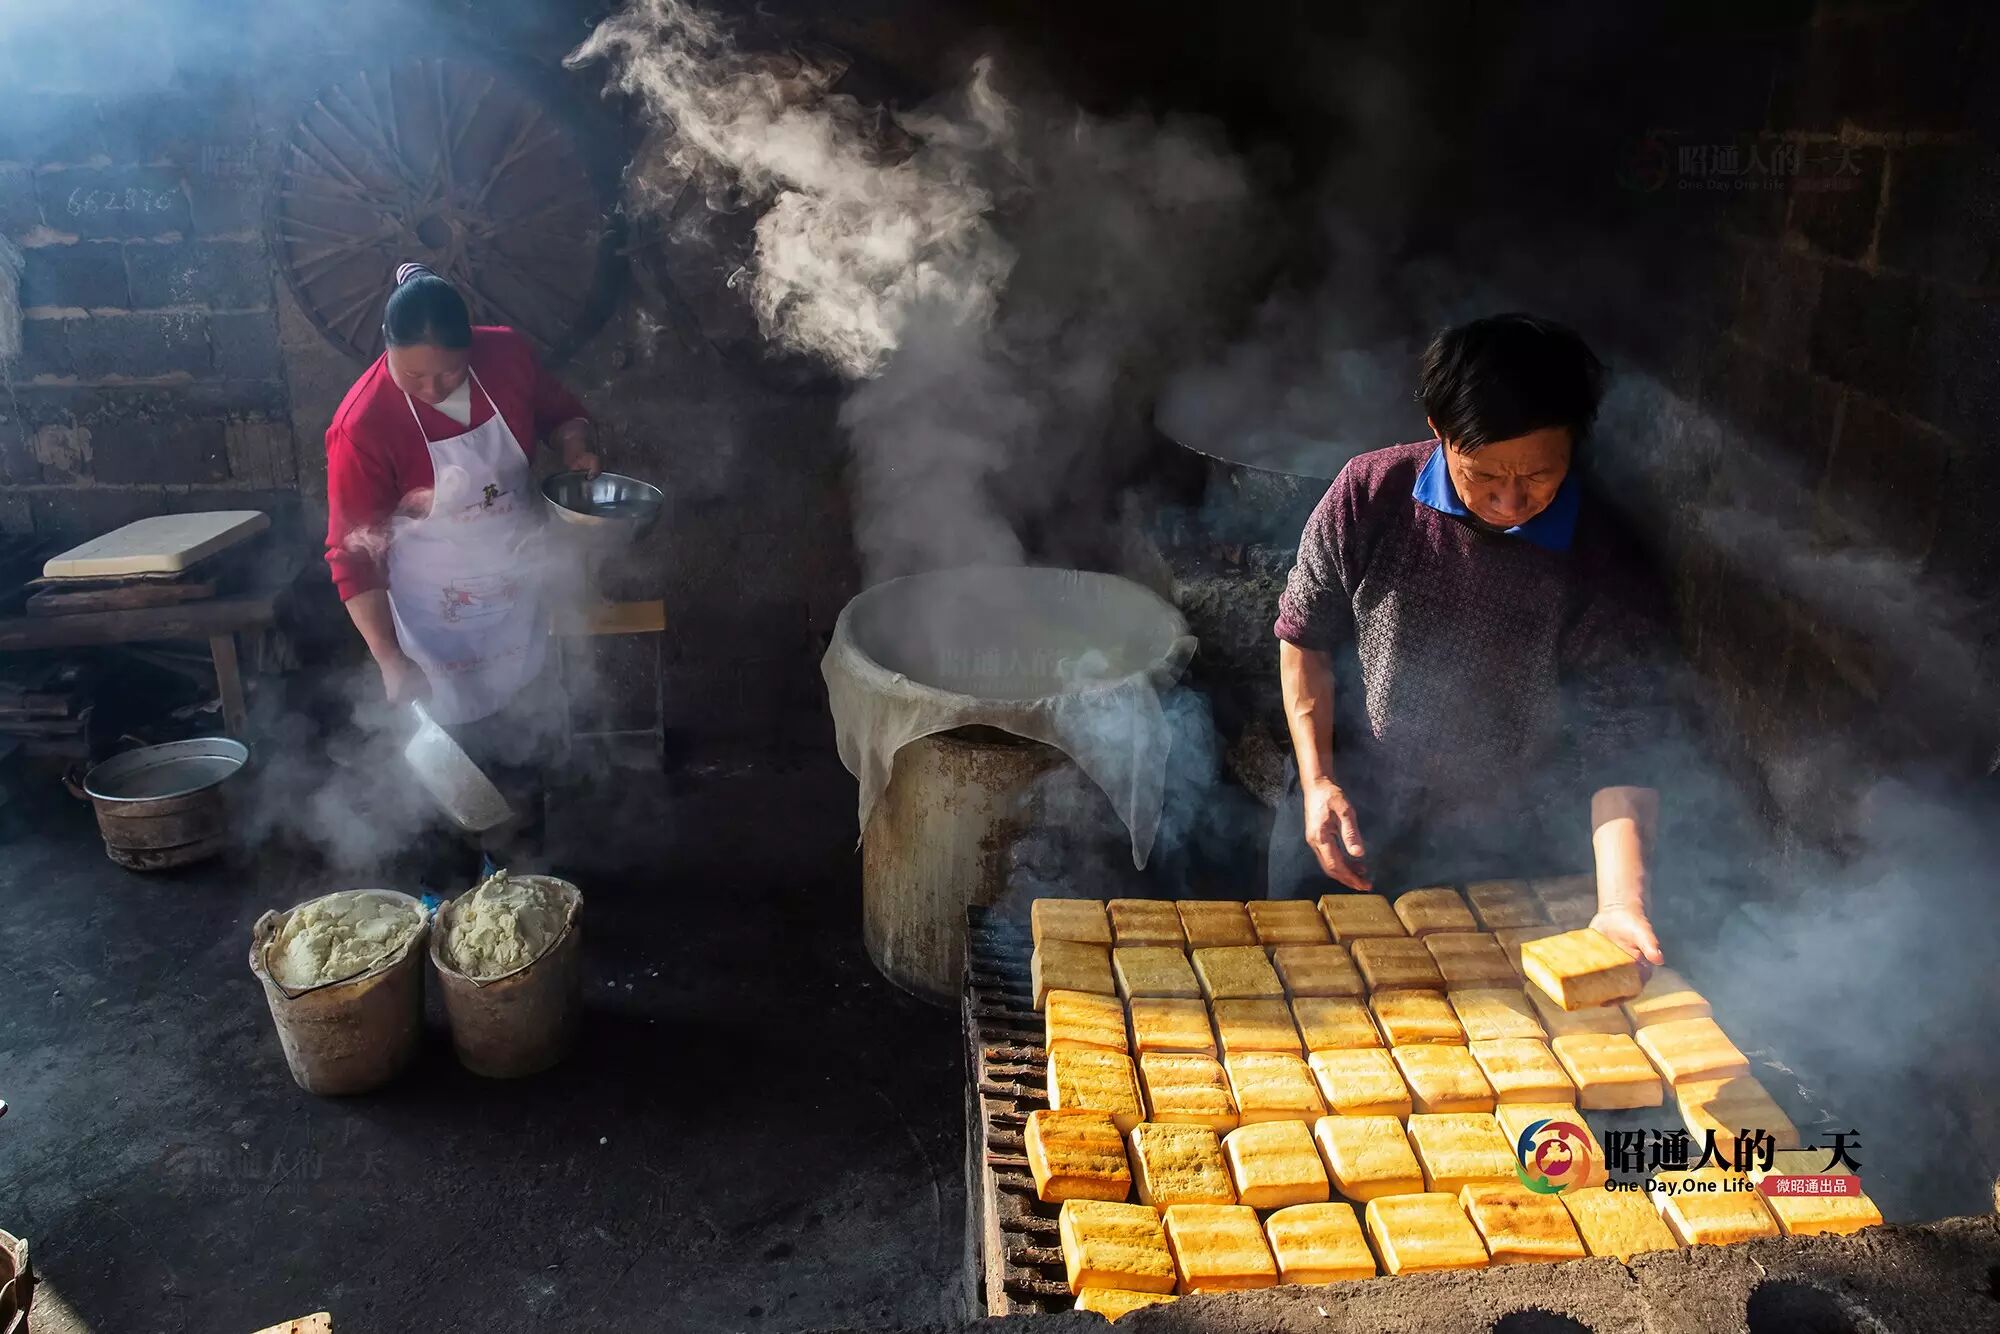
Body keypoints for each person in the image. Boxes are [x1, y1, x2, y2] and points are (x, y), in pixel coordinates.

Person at [1269, 313, 1669, 966]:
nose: (1511, 502)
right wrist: (1317, 780)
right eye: (1484, 475)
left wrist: (1622, 903)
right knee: (1299, 972)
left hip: (1504, 833)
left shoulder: (1603, 554)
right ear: (1439, 431)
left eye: (1538, 475)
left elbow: (1621, 745)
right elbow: (1304, 636)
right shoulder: (1370, 494)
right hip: (1353, 796)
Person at [323, 263, 602, 861]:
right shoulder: (363, 424)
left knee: (523, 746)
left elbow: (562, 414)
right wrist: (389, 658)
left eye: (448, 372)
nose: (430, 388)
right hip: (434, 623)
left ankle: (527, 882)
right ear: (386, 348)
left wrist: (576, 446)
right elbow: (351, 557)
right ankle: (444, 893)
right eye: (412, 374)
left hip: (516, 601)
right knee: (445, 771)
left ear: (471, 344)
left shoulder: (507, 357)